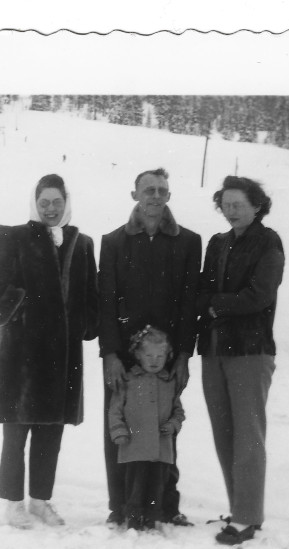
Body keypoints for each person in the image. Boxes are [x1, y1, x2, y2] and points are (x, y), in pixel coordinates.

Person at [0, 173, 99, 529]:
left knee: (51, 434)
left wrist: (83, 324)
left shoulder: (82, 243)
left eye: (56, 202)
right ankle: (13, 503)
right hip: (20, 358)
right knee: (15, 435)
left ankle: (40, 501)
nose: (50, 209)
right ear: (34, 202)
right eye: (43, 202)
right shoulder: (9, 237)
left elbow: (91, 297)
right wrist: (26, 303)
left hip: (62, 360)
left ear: (66, 202)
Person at [98, 168, 201, 527]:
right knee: (120, 428)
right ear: (135, 196)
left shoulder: (188, 242)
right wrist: (109, 354)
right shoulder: (113, 242)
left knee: (164, 428)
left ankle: (165, 506)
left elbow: (191, 304)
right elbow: (106, 301)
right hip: (124, 357)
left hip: (165, 359)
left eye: (162, 190)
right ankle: (120, 506)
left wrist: (185, 354)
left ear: (169, 196)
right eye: (148, 190)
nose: (155, 196)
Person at [197, 176, 285, 546]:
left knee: (248, 436)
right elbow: (201, 287)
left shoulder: (268, 241)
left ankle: (248, 517)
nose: (231, 211)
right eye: (226, 205)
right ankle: (239, 510)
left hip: (250, 351)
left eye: (239, 204)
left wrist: (217, 304)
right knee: (224, 433)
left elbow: (260, 294)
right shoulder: (217, 244)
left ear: (256, 205)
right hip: (215, 348)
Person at [108, 326, 186, 531]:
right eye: (149, 355)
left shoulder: (169, 382)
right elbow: (115, 410)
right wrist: (119, 432)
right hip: (134, 446)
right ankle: (133, 517)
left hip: (161, 449)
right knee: (135, 483)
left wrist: (172, 425)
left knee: (157, 484)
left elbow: (178, 412)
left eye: (160, 356)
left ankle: (152, 517)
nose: (154, 360)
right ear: (138, 355)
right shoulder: (128, 380)